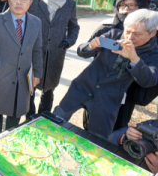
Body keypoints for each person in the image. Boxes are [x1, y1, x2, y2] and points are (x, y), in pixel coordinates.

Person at [55, 9, 158, 140]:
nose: (129, 37)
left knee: (98, 139)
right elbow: (82, 51)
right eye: (127, 31)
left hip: (108, 99)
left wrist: (135, 59)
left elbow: (149, 81)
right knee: (56, 118)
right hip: (82, 87)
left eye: (136, 34)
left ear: (152, 33)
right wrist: (90, 46)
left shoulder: (153, 54)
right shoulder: (114, 34)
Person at [83, 0, 152, 130]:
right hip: (99, 86)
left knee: (117, 126)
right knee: (89, 124)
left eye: (132, 5)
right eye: (122, 5)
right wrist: (91, 46)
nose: (125, 9)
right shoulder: (107, 27)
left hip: (127, 92)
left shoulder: (150, 34)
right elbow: (86, 50)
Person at [0, 0, 43, 138]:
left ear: (31, 2)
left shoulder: (36, 22)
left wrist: (38, 73)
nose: (19, 2)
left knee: (13, 124)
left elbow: (37, 49)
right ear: (9, 0)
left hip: (23, 80)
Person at [26, 0, 80, 118]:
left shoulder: (70, 4)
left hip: (56, 55)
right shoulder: (33, 2)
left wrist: (69, 41)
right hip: (33, 55)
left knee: (49, 90)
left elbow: (74, 27)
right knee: (30, 89)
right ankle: (29, 117)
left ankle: (44, 117)